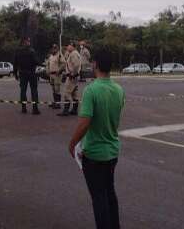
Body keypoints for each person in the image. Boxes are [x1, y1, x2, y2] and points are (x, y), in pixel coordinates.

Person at [68, 49, 124, 229]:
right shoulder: (118, 89)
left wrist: (72, 143)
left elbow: (85, 123)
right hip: (112, 151)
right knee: (109, 193)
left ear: (96, 65)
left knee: (99, 198)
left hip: (94, 154)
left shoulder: (91, 90)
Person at [14, 37, 40, 115]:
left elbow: (15, 63)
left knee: (23, 91)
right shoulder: (32, 51)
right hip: (31, 73)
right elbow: (36, 61)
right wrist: (41, 63)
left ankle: (24, 108)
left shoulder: (18, 51)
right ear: (26, 42)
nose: (29, 42)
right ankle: (35, 108)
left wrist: (15, 74)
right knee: (34, 91)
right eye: (28, 41)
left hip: (22, 73)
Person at [59, 41, 82, 116]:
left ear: (72, 46)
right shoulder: (74, 53)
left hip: (72, 77)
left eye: (69, 46)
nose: (67, 47)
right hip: (74, 76)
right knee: (74, 93)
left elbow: (76, 65)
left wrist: (73, 74)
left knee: (66, 93)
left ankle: (66, 110)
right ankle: (74, 110)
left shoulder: (74, 54)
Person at [45, 44, 65, 109]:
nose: (53, 49)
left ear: (57, 49)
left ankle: (58, 104)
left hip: (57, 75)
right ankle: (55, 102)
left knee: (57, 89)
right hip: (51, 74)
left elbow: (63, 63)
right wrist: (47, 71)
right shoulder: (51, 56)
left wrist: (59, 70)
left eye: (55, 48)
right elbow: (48, 64)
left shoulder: (59, 55)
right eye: (53, 48)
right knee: (53, 89)